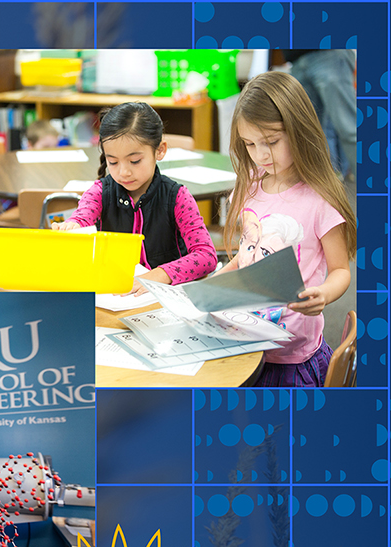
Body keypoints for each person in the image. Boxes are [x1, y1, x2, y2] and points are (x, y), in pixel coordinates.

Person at [217, 71, 356, 387]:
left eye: (271, 142)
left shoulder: (320, 199)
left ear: (300, 130)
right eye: (250, 144)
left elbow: (340, 271)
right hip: (245, 341)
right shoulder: (251, 185)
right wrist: (210, 287)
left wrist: (323, 293)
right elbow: (246, 257)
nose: (261, 155)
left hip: (291, 358)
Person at [50, 102, 217, 292]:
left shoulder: (177, 197)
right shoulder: (99, 192)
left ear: (160, 150)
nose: (124, 172)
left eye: (135, 161)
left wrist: (160, 274)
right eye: (113, 162)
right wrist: (73, 226)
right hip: (115, 293)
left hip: (164, 298)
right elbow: (82, 216)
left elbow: (206, 256)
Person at [285, 50, 356, 185]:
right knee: (309, 135)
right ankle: (329, 189)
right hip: (295, 59)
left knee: (349, 128)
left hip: (329, 52)